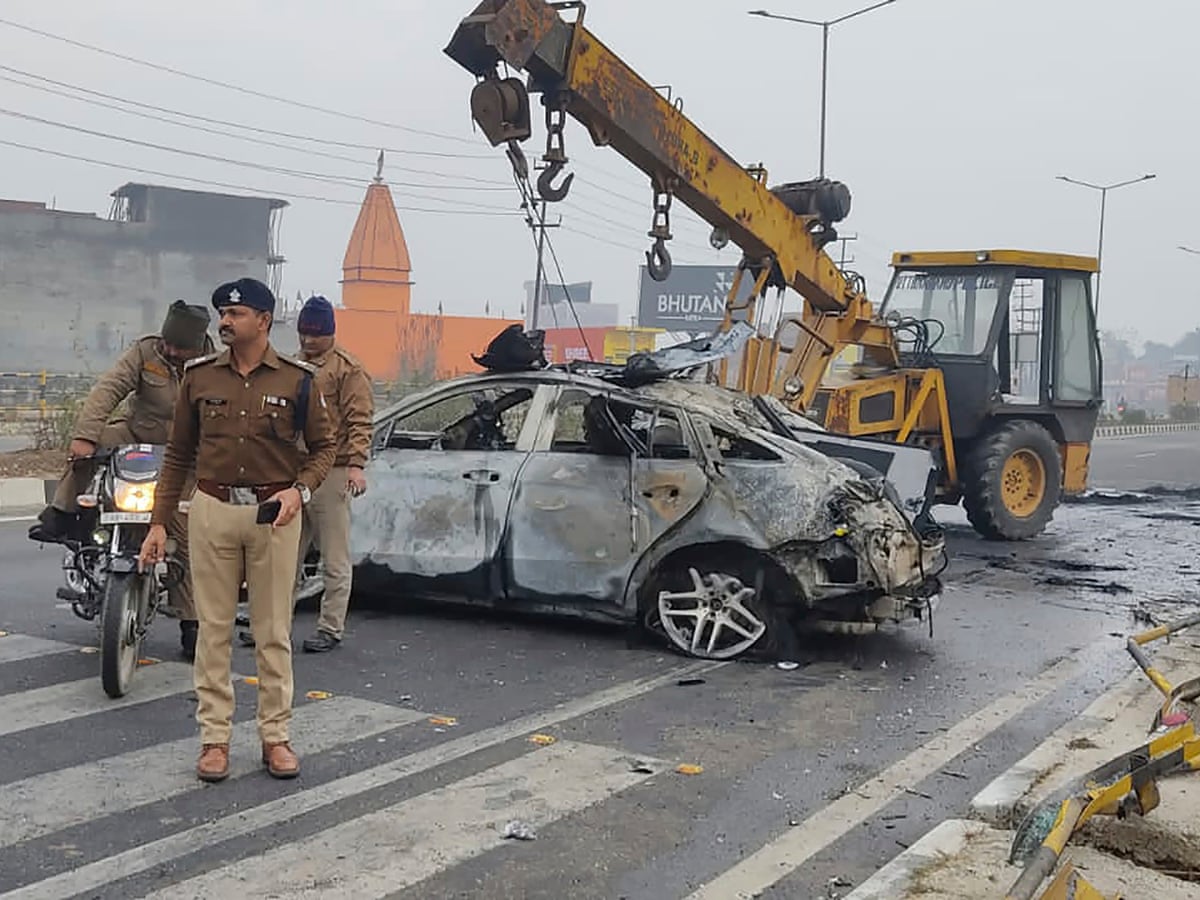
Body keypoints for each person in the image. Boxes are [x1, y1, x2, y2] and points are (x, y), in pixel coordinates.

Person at [138, 277, 336, 784]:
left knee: (272, 633)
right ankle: (215, 741)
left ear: (264, 321)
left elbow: (323, 449)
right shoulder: (200, 378)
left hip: (275, 513)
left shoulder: (297, 379)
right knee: (213, 632)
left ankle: (276, 737)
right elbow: (178, 453)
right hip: (213, 509)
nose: (225, 322)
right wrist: (159, 522)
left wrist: (300, 492)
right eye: (223, 314)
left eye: (237, 314)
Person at [29, 300, 213, 660]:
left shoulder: (213, 367)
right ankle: (62, 512)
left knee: (186, 535)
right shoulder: (145, 351)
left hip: (185, 456)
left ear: (197, 344)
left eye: (179, 347)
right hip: (135, 434)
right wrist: (83, 435)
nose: (171, 351)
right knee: (88, 449)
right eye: (168, 343)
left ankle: (192, 623)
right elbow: (108, 389)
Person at [293, 295, 374, 653]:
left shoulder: (347, 370)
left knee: (334, 557)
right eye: (303, 333)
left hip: (332, 471)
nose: (308, 340)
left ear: (330, 332)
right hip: (295, 471)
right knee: (284, 557)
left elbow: (360, 420)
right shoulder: (293, 365)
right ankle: (274, 622)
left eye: (316, 334)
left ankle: (330, 627)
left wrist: (356, 465)